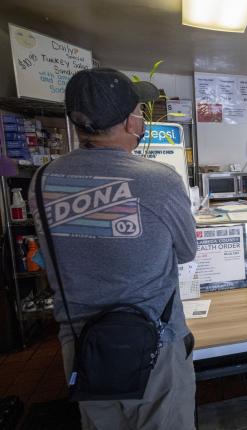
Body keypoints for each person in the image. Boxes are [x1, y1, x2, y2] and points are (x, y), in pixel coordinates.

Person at [28, 68, 198, 429]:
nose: (141, 118)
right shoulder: (158, 179)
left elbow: (51, 256)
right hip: (157, 344)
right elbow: (186, 251)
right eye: (138, 110)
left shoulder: (41, 181)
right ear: (128, 122)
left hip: (82, 346)